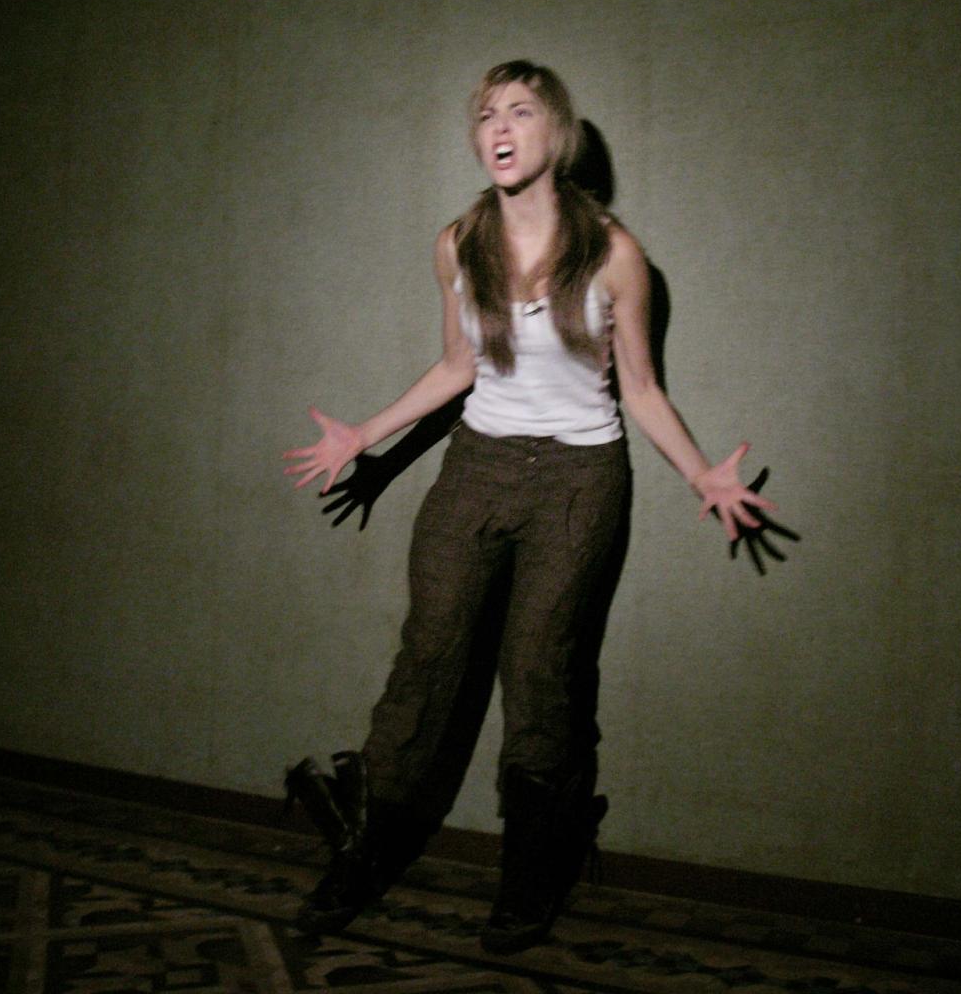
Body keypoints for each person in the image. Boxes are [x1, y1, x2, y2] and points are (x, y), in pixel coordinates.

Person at [281, 60, 774, 953]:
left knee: (540, 673)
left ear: (558, 132)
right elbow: (457, 368)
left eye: (519, 110)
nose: (499, 127)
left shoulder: (614, 253)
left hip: (578, 479)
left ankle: (532, 871)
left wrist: (701, 474)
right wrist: (366, 437)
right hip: (477, 465)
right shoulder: (457, 244)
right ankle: (363, 853)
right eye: (485, 114)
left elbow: (641, 388)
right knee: (427, 657)